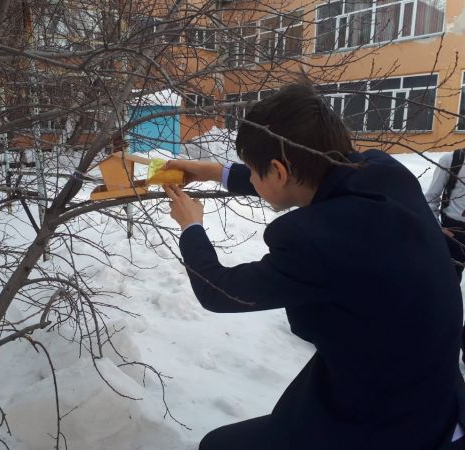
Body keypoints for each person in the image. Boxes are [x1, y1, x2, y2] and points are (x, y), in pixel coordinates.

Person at [163, 82, 465, 450]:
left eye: (254, 171)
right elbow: (292, 178)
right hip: (430, 388)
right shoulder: (383, 172)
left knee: (218, 446)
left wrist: (191, 225)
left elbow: (220, 291)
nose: (252, 179)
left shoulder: (317, 241)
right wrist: (212, 171)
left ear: (278, 171)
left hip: (388, 420)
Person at [425, 149, 465, 281]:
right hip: (454, 232)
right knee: (450, 280)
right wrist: (438, 228)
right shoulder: (452, 160)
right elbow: (431, 199)